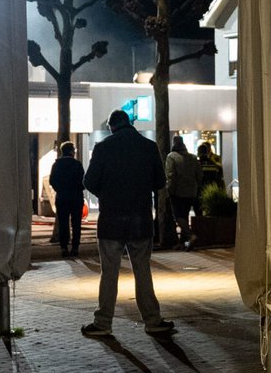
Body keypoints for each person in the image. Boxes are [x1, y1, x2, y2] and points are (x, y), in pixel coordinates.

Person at [82, 110, 175, 338]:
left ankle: (103, 322)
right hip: (140, 219)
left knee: (109, 273)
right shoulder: (149, 146)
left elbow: (89, 181)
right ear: (129, 123)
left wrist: (107, 194)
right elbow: (160, 182)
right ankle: (152, 320)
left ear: (112, 126)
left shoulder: (103, 147)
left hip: (111, 219)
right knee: (142, 271)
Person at [164, 134, 201, 250]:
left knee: (178, 216)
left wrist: (169, 191)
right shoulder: (193, 158)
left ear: (174, 143)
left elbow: (170, 176)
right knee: (184, 215)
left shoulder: (171, 157)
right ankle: (183, 243)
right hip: (191, 192)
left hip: (177, 192)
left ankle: (190, 236)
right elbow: (199, 175)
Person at [49, 141, 85, 257]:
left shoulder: (56, 165)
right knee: (76, 224)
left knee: (63, 223)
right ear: (71, 151)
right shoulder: (77, 165)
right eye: (74, 150)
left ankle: (64, 247)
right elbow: (83, 181)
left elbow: (52, 181)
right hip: (76, 198)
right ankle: (75, 247)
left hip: (62, 197)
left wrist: (60, 189)